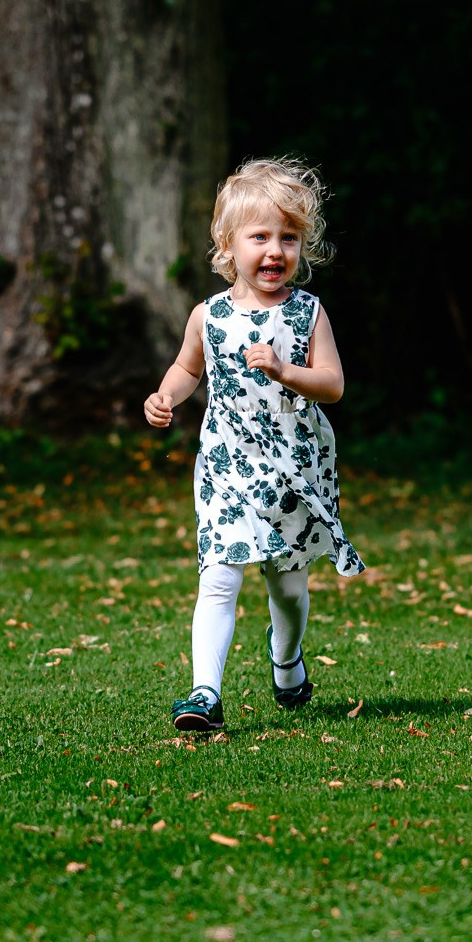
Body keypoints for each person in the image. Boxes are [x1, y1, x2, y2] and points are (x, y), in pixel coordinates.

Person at [143, 158, 365, 732]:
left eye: (289, 238)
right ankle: (204, 695)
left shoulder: (307, 313)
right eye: (260, 236)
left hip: (294, 467)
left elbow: (333, 385)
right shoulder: (208, 316)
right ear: (228, 244)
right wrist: (166, 396)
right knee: (219, 574)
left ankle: (286, 660)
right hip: (228, 464)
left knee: (288, 586)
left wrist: (287, 370)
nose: (275, 251)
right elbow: (187, 369)